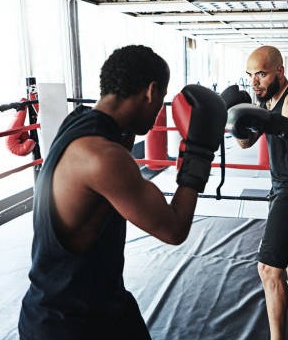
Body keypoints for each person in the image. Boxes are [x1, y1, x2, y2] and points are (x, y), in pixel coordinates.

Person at [18, 45, 227, 340]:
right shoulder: (103, 157)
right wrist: (199, 150)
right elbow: (174, 228)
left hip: (91, 305)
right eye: (162, 99)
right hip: (71, 325)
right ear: (151, 91)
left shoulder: (78, 122)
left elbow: (123, 137)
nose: (159, 111)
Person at [226, 45, 288, 340]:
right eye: (250, 75)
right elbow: (247, 144)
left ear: (279, 72)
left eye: (261, 74)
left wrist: (277, 123)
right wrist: (237, 122)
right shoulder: (265, 100)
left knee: (269, 270)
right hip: (280, 185)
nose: (254, 82)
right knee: (285, 241)